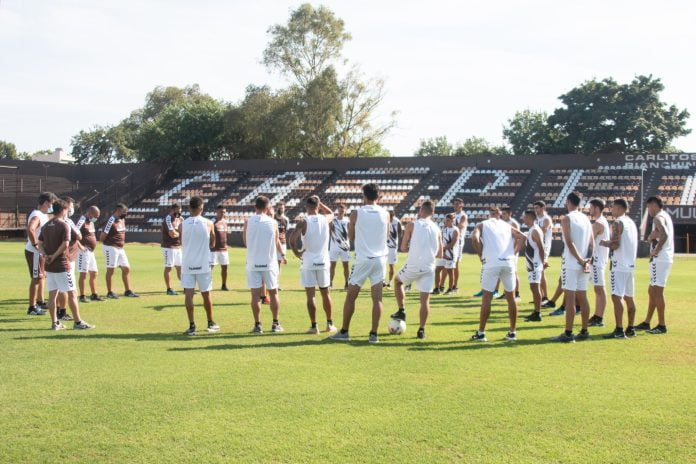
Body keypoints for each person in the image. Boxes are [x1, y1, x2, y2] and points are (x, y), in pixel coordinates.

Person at [330, 183, 389, 344]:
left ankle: (344, 331)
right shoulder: (386, 214)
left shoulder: (356, 213)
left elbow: (350, 236)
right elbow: (387, 235)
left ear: (364, 196)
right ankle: (373, 335)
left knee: (351, 296)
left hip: (363, 259)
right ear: (378, 196)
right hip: (380, 260)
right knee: (377, 299)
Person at [470, 207, 526, 342]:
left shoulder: (482, 224)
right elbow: (523, 237)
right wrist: (514, 252)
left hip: (492, 263)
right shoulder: (507, 225)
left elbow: (474, 237)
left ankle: (481, 333)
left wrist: (480, 255)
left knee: (486, 299)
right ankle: (512, 332)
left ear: (490, 215)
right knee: (511, 298)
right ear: (500, 215)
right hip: (508, 263)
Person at [36, 199, 93, 330]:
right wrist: (54, 256)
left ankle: (54, 323)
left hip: (49, 266)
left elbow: (39, 244)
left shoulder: (46, 225)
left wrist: (46, 256)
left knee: (52, 295)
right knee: (72, 293)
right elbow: (65, 244)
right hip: (62, 264)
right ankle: (78, 322)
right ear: (63, 210)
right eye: (67, 209)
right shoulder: (64, 225)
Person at [389, 200, 442, 339]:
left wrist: (413, 249)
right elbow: (440, 254)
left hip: (414, 265)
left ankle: (402, 310)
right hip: (429, 266)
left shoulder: (412, 225)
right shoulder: (437, 229)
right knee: (425, 301)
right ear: (433, 212)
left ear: (421, 211)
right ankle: (421, 330)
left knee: (398, 281)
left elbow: (403, 248)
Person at [288, 195, 337, 334]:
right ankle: (329, 324)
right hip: (323, 262)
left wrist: (297, 253)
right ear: (318, 206)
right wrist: (321, 204)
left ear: (306, 207)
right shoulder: (325, 218)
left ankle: (314, 326)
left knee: (311, 296)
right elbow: (332, 213)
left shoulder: (303, 221)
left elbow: (292, 240)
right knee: (326, 294)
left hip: (308, 261)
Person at [552, 192, 593, 343]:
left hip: (571, 263)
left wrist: (581, 260)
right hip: (584, 263)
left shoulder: (567, 218)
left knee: (570, 298)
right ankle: (584, 330)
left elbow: (569, 243)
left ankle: (568, 333)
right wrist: (588, 259)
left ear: (568, 202)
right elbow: (592, 243)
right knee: (583, 297)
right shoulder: (586, 219)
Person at [244, 196, 286, 334]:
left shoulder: (247, 222)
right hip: (269, 263)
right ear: (267, 208)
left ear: (255, 206)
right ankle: (275, 323)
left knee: (255, 295)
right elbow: (276, 241)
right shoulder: (273, 223)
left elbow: (246, 242)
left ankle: (257, 325)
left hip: (253, 262)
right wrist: (283, 255)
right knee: (273, 293)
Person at [180, 196, 219, 336]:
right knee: (206, 294)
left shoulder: (182, 224)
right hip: (203, 264)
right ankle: (210, 322)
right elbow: (213, 243)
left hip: (187, 263)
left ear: (189, 208)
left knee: (189, 295)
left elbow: (181, 241)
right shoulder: (209, 223)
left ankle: (191, 326)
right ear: (201, 208)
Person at [599, 198, 638, 339]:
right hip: (630, 265)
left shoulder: (617, 222)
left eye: (613, 207)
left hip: (619, 265)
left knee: (616, 297)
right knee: (629, 297)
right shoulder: (631, 223)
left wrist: (604, 243)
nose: (611, 209)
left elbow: (616, 244)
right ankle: (631, 328)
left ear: (620, 208)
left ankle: (619, 329)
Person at [635, 196, 674, 335]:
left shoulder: (658, 217)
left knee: (657, 292)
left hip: (661, 258)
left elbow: (665, 234)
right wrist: (653, 236)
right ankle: (647, 322)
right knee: (652, 291)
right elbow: (660, 233)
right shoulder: (664, 216)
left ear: (653, 205)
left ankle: (662, 325)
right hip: (662, 259)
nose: (648, 210)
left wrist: (656, 250)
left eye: (648, 206)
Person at [25, 192, 56, 315]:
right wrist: (35, 245)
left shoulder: (43, 215)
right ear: (46, 203)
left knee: (42, 276)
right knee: (37, 278)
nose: (51, 206)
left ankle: (40, 301)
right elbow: (30, 229)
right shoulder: (37, 214)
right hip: (35, 252)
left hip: (41, 252)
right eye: (51, 204)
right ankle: (32, 307)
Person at [100, 203, 138, 299]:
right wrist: (110, 243)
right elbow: (102, 237)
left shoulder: (122, 220)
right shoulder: (110, 221)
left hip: (120, 249)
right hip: (111, 248)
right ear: (118, 211)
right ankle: (110, 292)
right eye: (124, 212)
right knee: (111, 270)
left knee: (126, 268)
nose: (125, 214)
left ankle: (128, 291)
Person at [55, 196, 82, 321]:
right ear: (65, 208)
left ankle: (58, 312)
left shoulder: (52, 221)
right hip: (67, 258)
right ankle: (63, 312)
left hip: (57, 257)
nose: (72, 209)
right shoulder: (68, 222)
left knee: (56, 288)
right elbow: (79, 236)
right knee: (69, 289)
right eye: (70, 207)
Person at [521, 210, 548, 322]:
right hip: (532, 263)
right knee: (533, 287)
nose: (523, 219)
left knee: (535, 287)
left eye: (525, 217)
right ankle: (536, 311)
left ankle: (537, 313)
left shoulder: (535, 230)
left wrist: (543, 261)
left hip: (535, 263)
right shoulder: (532, 229)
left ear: (531, 218)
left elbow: (541, 247)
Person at [76, 206, 105, 303]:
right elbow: (73, 233)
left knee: (94, 272)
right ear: (89, 213)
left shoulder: (91, 222)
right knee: (84, 273)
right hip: (83, 251)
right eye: (95, 216)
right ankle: (82, 295)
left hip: (91, 252)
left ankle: (94, 294)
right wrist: (80, 246)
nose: (96, 218)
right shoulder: (82, 220)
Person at [587, 199, 610, 327]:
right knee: (598, 289)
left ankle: (599, 317)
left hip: (597, 260)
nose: (589, 210)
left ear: (596, 208)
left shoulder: (598, 224)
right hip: (599, 260)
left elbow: (588, 240)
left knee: (600, 289)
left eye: (591, 207)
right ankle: (597, 315)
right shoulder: (602, 222)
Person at [497, 206, 521, 301]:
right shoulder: (502, 223)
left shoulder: (513, 223)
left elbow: (518, 238)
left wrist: (514, 251)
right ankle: (506, 293)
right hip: (504, 252)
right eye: (502, 214)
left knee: (513, 272)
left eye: (504, 214)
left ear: (510, 214)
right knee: (504, 272)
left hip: (512, 252)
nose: (502, 215)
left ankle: (517, 294)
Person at [533, 201, 554, 306]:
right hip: (537, 247)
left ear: (543, 208)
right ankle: (540, 296)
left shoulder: (546, 219)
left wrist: (532, 233)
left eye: (537, 208)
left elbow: (543, 231)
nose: (536, 210)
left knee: (541, 272)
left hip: (544, 247)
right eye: (535, 208)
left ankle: (545, 296)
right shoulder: (537, 220)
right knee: (537, 271)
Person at [433, 213, 459, 295]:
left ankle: (450, 289)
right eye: (445, 220)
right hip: (443, 254)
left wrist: (443, 250)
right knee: (437, 270)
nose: (446, 222)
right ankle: (437, 289)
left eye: (448, 220)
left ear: (452, 221)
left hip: (451, 254)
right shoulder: (444, 229)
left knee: (450, 272)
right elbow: (440, 241)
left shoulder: (455, 230)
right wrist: (441, 251)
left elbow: (452, 244)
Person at [161, 204, 182, 296]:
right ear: (172, 210)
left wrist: (178, 233)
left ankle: (186, 287)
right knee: (169, 267)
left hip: (178, 247)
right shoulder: (168, 219)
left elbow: (183, 231)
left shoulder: (180, 219)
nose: (178, 213)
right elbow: (172, 234)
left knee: (180, 268)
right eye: (177, 211)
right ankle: (169, 289)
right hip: (168, 247)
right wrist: (180, 233)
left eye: (180, 211)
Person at [329, 203, 351, 290]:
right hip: (334, 247)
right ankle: (330, 283)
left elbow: (350, 232)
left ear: (345, 211)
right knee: (332, 265)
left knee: (346, 265)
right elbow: (329, 229)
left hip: (345, 247)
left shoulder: (347, 221)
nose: (341, 211)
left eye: (343, 210)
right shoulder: (333, 221)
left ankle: (346, 283)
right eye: (340, 210)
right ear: (337, 210)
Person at [210, 204, 230, 291]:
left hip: (224, 249)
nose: (223, 213)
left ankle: (224, 285)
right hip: (214, 250)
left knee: (225, 268)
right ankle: (207, 285)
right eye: (221, 212)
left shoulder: (225, 222)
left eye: (224, 212)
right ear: (216, 212)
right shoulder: (212, 222)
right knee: (210, 268)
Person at [452, 198, 468, 294]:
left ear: (462, 205)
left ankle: (455, 286)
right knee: (449, 264)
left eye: (458, 204)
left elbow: (460, 227)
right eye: (455, 204)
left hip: (459, 241)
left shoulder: (463, 216)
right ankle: (446, 286)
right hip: (451, 240)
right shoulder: (452, 215)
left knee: (456, 264)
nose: (456, 205)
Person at [385, 210, 403, 287]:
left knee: (391, 265)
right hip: (384, 246)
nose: (390, 218)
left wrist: (396, 242)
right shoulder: (385, 220)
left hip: (392, 248)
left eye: (391, 216)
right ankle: (382, 281)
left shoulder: (397, 222)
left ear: (393, 215)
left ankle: (389, 282)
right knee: (381, 265)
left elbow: (400, 233)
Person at [275, 201, 290, 278]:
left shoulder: (286, 219)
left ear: (284, 209)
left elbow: (285, 231)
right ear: (276, 208)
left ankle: (276, 283)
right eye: (279, 207)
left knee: (279, 263)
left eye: (282, 207)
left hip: (282, 243)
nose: (281, 209)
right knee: (272, 262)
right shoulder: (273, 218)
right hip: (273, 244)